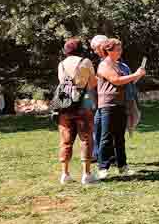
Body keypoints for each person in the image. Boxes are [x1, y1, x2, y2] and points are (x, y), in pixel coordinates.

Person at [96, 38, 145, 179]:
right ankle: (102, 168)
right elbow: (116, 80)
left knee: (119, 137)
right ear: (108, 51)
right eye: (117, 49)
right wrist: (135, 75)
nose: (120, 52)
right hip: (108, 104)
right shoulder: (104, 65)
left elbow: (128, 81)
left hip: (121, 103)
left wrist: (138, 75)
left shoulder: (120, 65)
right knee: (106, 137)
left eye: (120, 49)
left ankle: (122, 166)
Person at [55, 38, 99, 185]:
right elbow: (92, 83)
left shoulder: (61, 64)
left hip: (65, 104)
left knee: (65, 139)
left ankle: (65, 173)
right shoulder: (85, 62)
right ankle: (86, 174)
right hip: (83, 102)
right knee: (86, 138)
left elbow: (62, 82)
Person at [89, 34, 108, 163]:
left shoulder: (110, 60)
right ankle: (97, 155)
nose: (95, 52)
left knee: (101, 128)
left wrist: (89, 78)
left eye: (96, 48)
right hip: (101, 99)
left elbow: (106, 79)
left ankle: (101, 156)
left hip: (107, 100)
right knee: (97, 126)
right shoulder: (103, 61)